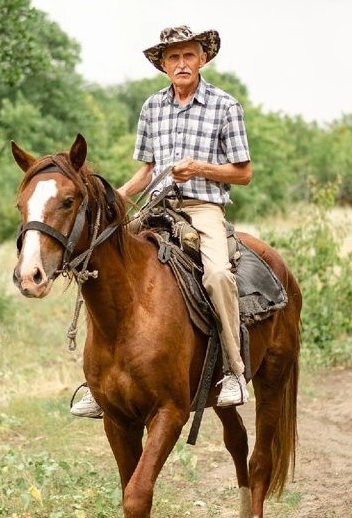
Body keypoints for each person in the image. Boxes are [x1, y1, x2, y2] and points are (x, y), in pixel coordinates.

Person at [71, 24, 252, 418]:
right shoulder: (152, 107)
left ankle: (234, 371)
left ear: (202, 59)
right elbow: (148, 170)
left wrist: (201, 169)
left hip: (202, 208)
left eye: (189, 55)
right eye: (173, 57)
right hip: (155, 207)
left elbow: (243, 172)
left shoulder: (225, 106)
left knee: (218, 275)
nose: (182, 63)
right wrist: (114, 200)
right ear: (164, 65)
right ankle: (98, 380)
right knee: (100, 264)